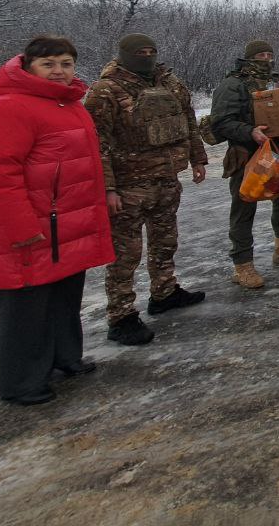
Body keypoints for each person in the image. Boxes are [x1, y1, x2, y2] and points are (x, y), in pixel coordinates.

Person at [0, 36, 115, 405]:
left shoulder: (68, 104)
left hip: (65, 223)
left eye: (66, 63)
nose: (59, 71)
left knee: (64, 296)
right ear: (28, 66)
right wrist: (19, 227)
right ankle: (22, 382)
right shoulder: (9, 107)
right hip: (32, 227)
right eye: (49, 64)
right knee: (28, 306)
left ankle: (65, 358)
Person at [85, 33, 206, 347]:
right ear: (125, 54)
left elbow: (188, 121)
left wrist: (198, 157)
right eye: (140, 52)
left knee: (166, 240)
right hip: (129, 185)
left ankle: (164, 291)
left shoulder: (169, 83)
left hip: (166, 178)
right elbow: (98, 144)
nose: (147, 56)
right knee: (126, 254)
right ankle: (121, 315)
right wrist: (108, 188)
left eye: (152, 51)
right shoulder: (106, 90)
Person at [210, 40, 279, 288]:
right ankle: (242, 264)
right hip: (247, 153)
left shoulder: (277, 81)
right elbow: (221, 122)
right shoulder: (233, 84)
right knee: (244, 205)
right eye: (261, 55)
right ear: (249, 58)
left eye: (269, 54)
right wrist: (249, 132)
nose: (266, 59)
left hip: (277, 149)